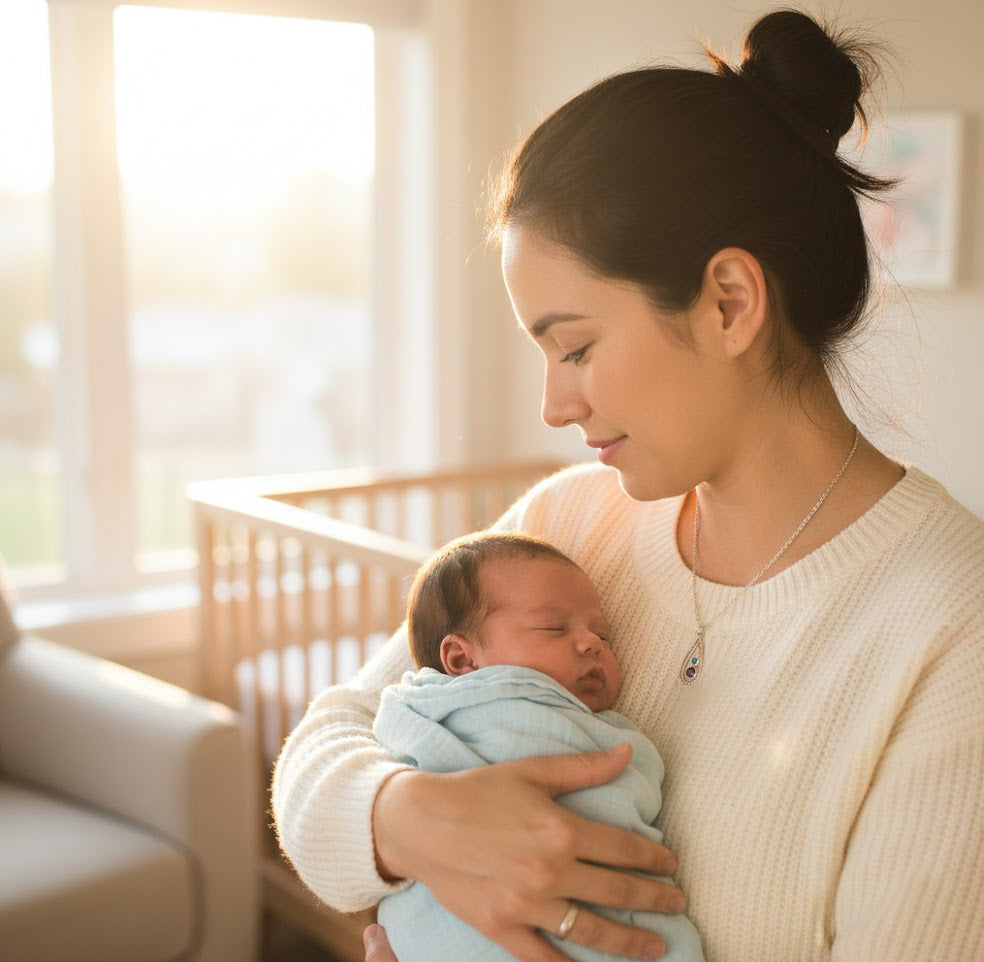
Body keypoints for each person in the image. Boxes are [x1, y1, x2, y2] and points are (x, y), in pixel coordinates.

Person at [272, 9, 984, 962]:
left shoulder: (953, 631)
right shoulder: (568, 529)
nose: (553, 407)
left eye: (576, 347)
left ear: (730, 302)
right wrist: (406, 817)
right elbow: (330, 743)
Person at [373, 532, 705, 961]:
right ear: (461, 661)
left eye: (605, 637)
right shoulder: (424, 711)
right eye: (554, 628)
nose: (592, 644)